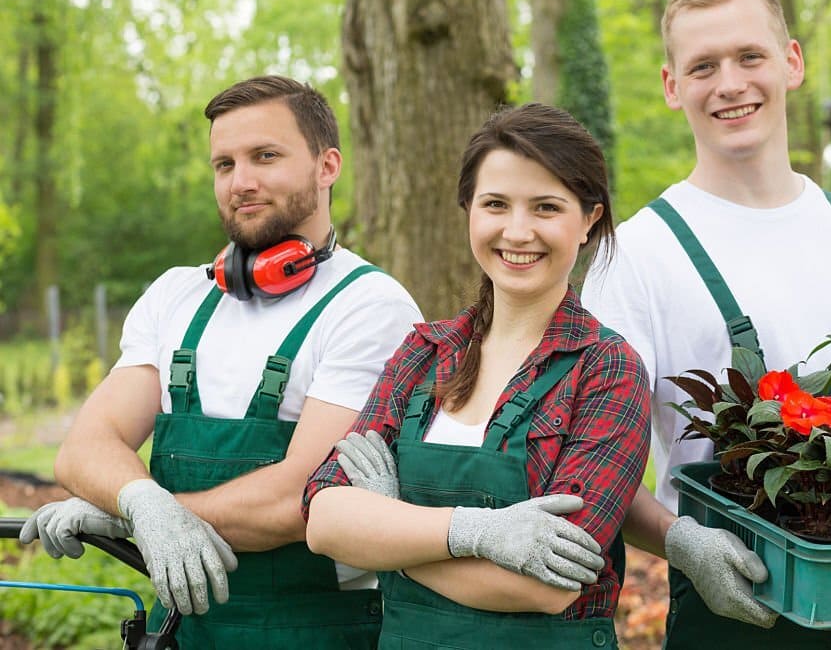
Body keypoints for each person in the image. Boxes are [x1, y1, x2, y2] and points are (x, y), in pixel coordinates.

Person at [580, 0, 831, 650]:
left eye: (750, 57)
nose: (730, 83)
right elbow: (596, 469)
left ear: (792, 62)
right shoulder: (633, 256)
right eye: (703, 67)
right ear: (671, 86)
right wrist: (685, 545)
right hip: (739, 610)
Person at [19, 75, 422, 649]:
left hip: (312, 632)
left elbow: (303, 496)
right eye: (224, 164)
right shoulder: (176, 295)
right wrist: (142, 501)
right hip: (179, 630)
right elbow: (86, 446)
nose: (242, 181)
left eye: (265, 156)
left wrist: (133, 516)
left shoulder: (369, 305)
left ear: (327, 165)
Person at [303, 102, 651, 649]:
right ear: (469, 210)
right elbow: (324, 520)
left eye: (546, 207)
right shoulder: (423, 354)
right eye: (495, 204)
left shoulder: (607, 371)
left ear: (588, 220)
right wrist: (476, 533)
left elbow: (550, 585)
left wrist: (391, 534)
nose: (518, 231)